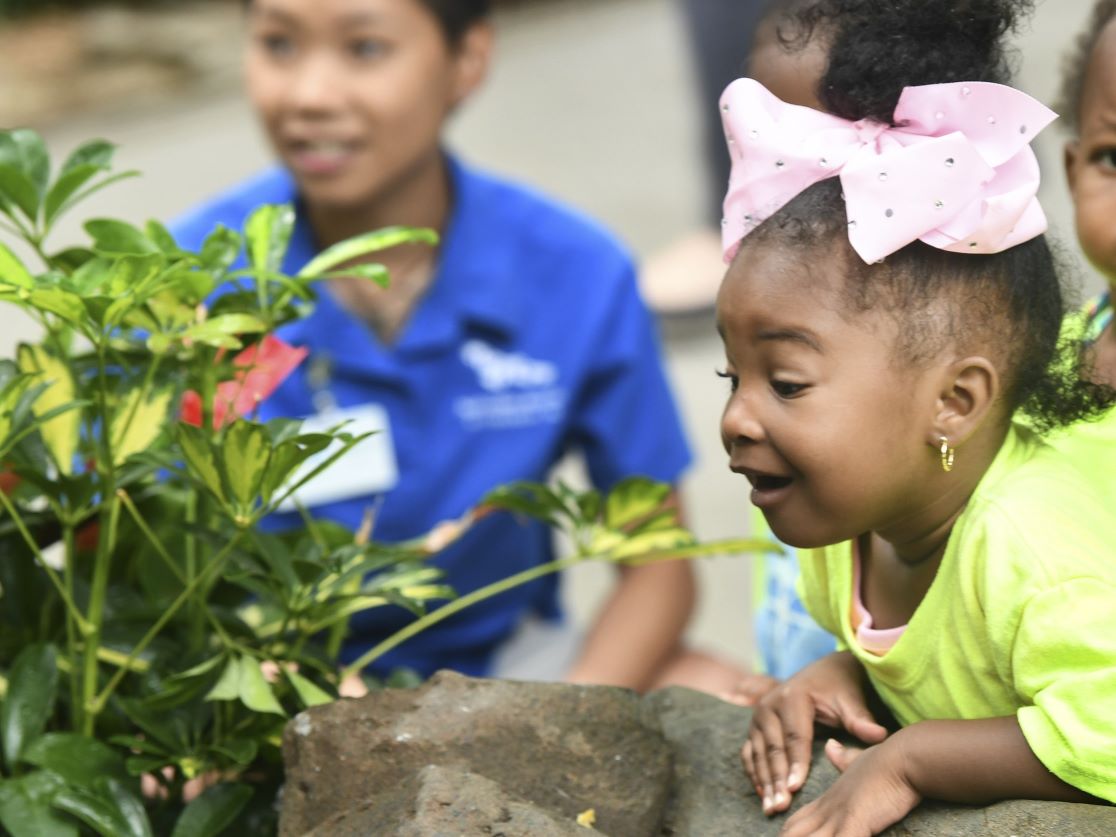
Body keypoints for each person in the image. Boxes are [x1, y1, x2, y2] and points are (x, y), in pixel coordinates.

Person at [171, 0, 746, 694]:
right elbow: (123, 579)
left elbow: (658, 569)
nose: (310, 95)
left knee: (718, 692)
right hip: (253, 678)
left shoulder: (575, 271)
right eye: (278, 43)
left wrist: (549, 724)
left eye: (364, 48)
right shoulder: (185, 279)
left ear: (467, 59)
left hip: (503, 674)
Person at [715, 0, 1116, 833]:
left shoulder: (1034, 559)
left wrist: (910, 756)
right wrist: (839, 675)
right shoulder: (847, 522)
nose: (736, 419)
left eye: (785, 383)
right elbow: (955, 660)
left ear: (954, 402)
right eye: (731, 376)